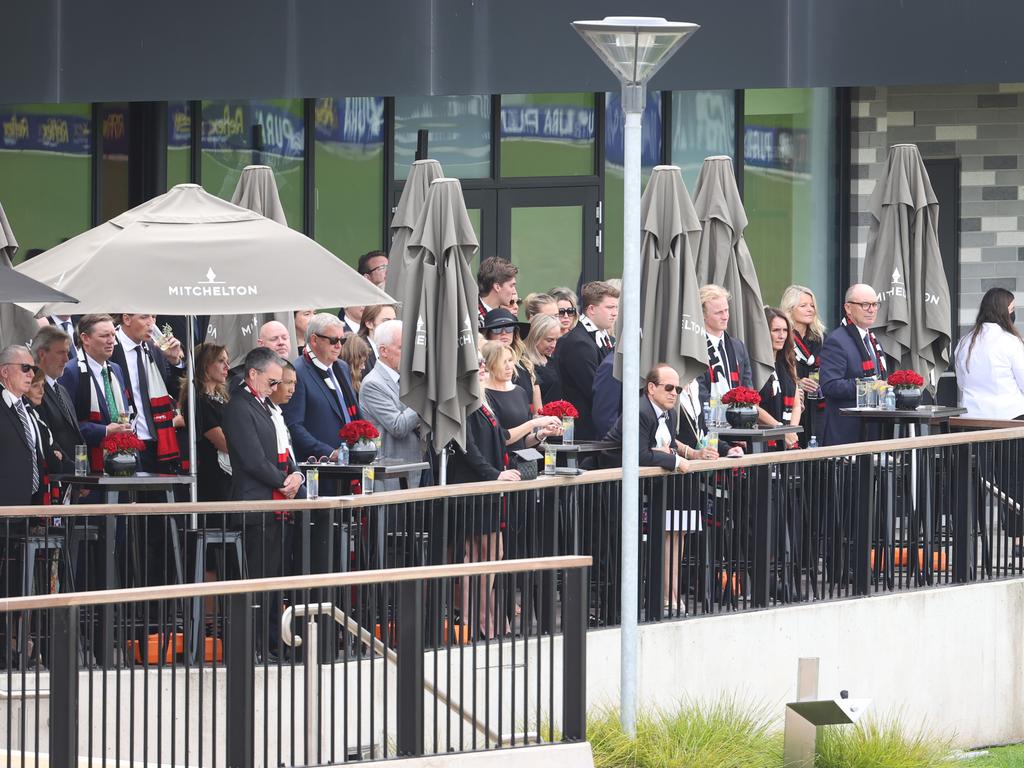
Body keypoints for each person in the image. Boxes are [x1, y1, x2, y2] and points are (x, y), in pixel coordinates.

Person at [221, 347, 303, 660]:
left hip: (277, 502)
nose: (275, 389)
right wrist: (284, 481)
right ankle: (255, 646)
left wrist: (296, 475)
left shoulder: (266, 405)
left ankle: (271, 642)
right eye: (271, 382)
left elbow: (285, 448)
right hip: (256, 504)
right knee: (257, 580)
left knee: (274, 580)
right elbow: (252, 458)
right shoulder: (240, 406)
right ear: (252, 375)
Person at [447, 349, 521, 640]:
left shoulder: (481, 398)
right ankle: (473, 618)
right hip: (474, 487)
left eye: (481, 364)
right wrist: (495, 475)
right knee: (479, 554)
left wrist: (537, 429)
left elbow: (500, 437)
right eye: (475, 365)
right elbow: (466, 447)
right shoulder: (462, 400)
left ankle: (486, 617)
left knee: (489, 554)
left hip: (488, 486)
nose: (481, 368)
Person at [58, 314, 133, 472]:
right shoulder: (71, 372)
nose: (111, 340)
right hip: (89, 465)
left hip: (121, 459)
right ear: (85, 338)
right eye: (104, 335)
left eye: (113, 334)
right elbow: (66, 426)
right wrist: (105, 431)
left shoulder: (116, 369)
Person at [284, 313, 362, 463]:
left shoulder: (342, 367)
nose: (339, 345)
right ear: (314, 340)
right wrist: (329, 452)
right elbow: (293, 425)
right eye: (333, 340)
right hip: (319, 465)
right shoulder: (297, 372)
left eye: (342, 340)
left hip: (350, 460)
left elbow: (352, 412)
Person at [110, 313, 184, 472]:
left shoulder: (154, 347)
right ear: (127, 319)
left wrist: (175, 361)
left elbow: (174, 391)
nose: (151, 323)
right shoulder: (111, 345)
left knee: (157, 495)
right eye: (144, 317)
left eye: (154, 317)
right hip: (123, 441)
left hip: (155, 439)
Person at [359, 320, 423, 490]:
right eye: (402, 348)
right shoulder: (373, 384)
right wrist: (424, 396)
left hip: (414, 469)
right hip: (390, 477)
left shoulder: (406, 379)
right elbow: (398, 426)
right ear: (383, 351)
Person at [820, 283, 887, 446]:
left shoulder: (872, 339)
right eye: (865, 305)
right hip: (846, 432)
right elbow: (830, 385)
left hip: (873, 428)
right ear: (848, 308)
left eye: (874, 304)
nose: (871, 309)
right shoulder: (837, 340)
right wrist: (870, 386)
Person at [555, 281, 619, 440]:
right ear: (591, 309)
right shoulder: (578, 343)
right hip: (586, 434)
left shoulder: (603, 338)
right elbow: (596, 390)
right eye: (609, 308)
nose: (615, 313)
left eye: (616, 307)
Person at [954, 286, 1024, 419]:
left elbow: (962, 383)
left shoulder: (965, 342)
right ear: (1003, 312)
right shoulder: (1011, 341)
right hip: (1009, 417)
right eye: (1012, 309)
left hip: (971, 417)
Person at [180, 343, 233, 503]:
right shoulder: (198, 400)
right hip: (212, 472)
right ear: (205, 365)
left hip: (228, 470)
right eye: (220, 361)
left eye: (227, 361)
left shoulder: (223, 398)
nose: (227, 366)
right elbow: (222, 442)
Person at [31, 325, 83, 472]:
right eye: (61, 353)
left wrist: (82, 472)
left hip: (75, 478)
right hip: (55, 477)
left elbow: (74, 434)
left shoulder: (62, 390)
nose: (67, 359)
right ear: (42, 354)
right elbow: (47, 437)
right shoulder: (33, 391)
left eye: (67, 353)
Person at [780, 284, 826, 445]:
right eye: (803, 305)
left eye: (812, 305)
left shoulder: (821, 338)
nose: (810, 309)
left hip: (817, 406)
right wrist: (797, 383)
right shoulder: (783, 337)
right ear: (790, 308)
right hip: (794, 405)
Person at [0, 345, 45, 506]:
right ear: (4, 372)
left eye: (33, 368)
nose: (32, 374)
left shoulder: (26, 406)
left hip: (29, 505)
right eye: (25, 368)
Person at [697, 284, 753, 408]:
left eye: (726, 310)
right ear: (703, 315)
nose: (725, 316)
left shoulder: (738, 346)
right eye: (718, 313)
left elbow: (747, 387)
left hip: (739, 419)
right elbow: (699, 392)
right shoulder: (696, 347)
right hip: (708, 419)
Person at [757, 308, 803, 450]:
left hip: (788, 439)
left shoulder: (789, 361)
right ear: (764, 332)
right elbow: (751, 406)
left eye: (785, 330)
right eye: (776, 330)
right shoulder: (756, 365)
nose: (781, 335)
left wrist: (792, 431)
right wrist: (781, 430)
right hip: (763, 437)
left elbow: (796, 405)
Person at [482, 307, 541, 413]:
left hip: (528, 421)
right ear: (488, 334)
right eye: (497, 329)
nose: (504, 333)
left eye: (509, 328)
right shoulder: (483, 365)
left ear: (515, 332)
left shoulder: (525, 363)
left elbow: (538, 410)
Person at [522, 314, 561, 403]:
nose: (554, 345)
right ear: (535, 337)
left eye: (556, 340)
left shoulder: (553, 360)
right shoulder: (525, 364)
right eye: (549, 340)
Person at [477, 256, 518, 330]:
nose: (514, 291)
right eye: (511, 286)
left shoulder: (508, 317)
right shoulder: (470, 317)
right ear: (497, 287)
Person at [358, 304, 398, 377]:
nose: (392, 325)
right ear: (369, 324)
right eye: (386, 321)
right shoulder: (358, 351)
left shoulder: (400, 348)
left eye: (394, 321)